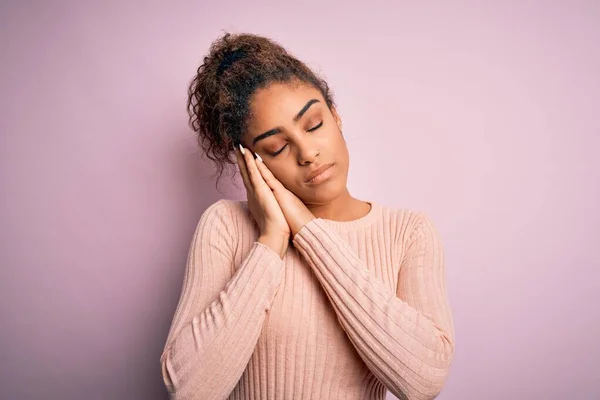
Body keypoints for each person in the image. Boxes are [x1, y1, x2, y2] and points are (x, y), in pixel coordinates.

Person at [159, 32, 455, 400]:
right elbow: (189, 390)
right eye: (277, 147)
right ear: (251, 162)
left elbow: (423, 381)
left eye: (313, 124)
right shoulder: (226, 227)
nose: (307, 153)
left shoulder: (408, 232)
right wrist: (270, 241)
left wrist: (308, 231)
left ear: (336, 117)